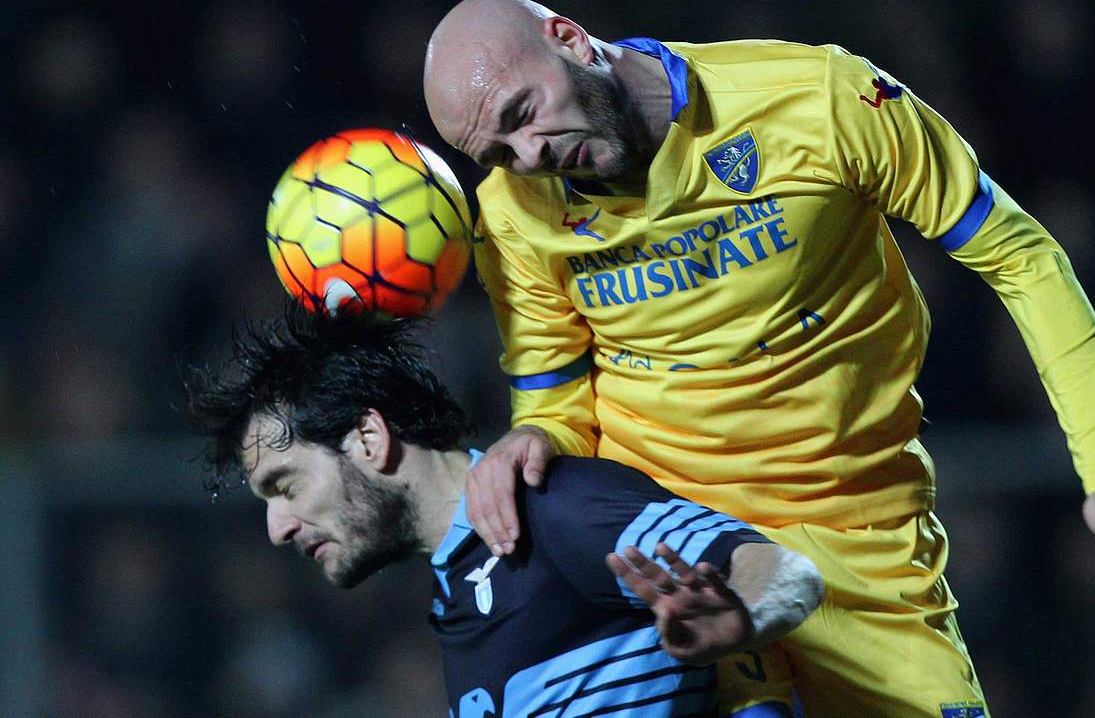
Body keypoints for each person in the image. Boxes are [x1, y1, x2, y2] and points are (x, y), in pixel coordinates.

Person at [423, 0, 1095, 716]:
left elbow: (1021, 258)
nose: (531, 156)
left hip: (858, 530)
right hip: (676, 545)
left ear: (568, 39)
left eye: (525, 114)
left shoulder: (820, 98)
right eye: (498, 152)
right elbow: (556, 395)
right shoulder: (512, 211)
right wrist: (534, 435)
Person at [182, 306, 824, 717]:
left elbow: (778, 568)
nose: (276, 528)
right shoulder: (454, 589)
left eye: (284, 485)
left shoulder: (549, 505)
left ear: (370, 440)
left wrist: (740, 613)